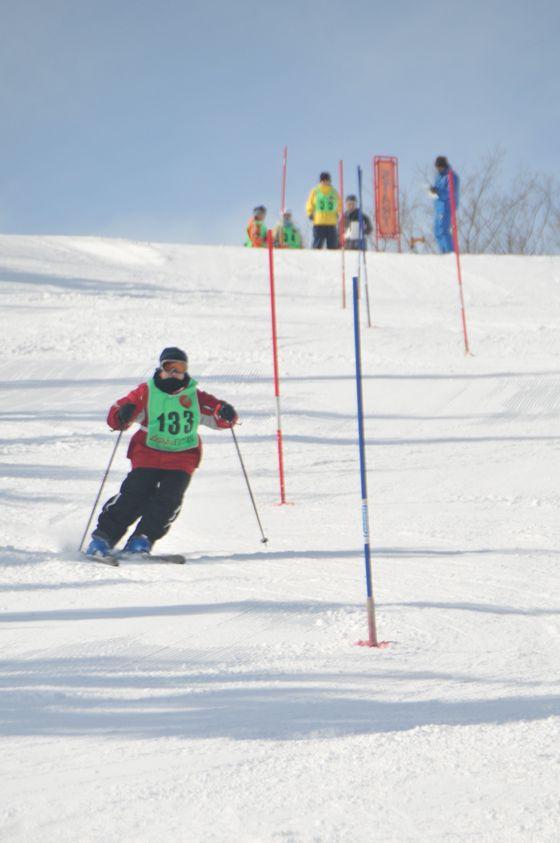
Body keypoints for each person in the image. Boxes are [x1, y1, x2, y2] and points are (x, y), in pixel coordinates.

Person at [85, 347, 238, 558]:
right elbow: (117, 415)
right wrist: (122, 414)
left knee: (169, 499)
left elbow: (220, 417)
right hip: (148, 452)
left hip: (182, 456)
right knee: (135, 493)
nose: (174, 373)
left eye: (180, 368)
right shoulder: (146, 393)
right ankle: (103, 539)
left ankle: (142, 540)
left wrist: (226, 413)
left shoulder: (195, 396)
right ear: (161, 368)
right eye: (169, 367)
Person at [429, 156, 460, 254]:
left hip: (447, 205)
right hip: (439, 206)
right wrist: (433, 190)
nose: (438, 169)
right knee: (437, 230)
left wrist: (438, 191)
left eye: (439, 167)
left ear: (444, 166)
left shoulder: (450, 176)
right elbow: (438, 189)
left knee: (443, 229)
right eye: (437, 167)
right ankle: (443, 251)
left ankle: (450, 251)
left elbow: (450, 192)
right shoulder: (439, 176)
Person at [306, 171, 341, 249]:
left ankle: (333, 260)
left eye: (327, 180)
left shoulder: (334, 192)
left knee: (332, 245)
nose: (325, 182)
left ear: (329, 181)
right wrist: (310, 213)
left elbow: (339, 204)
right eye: (323, 180)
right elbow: (309, 203)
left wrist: (338, 213)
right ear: (320, 181)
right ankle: (315, 259)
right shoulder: (315, 191)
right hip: (319, 222)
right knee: (317, 245)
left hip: (331, 223)